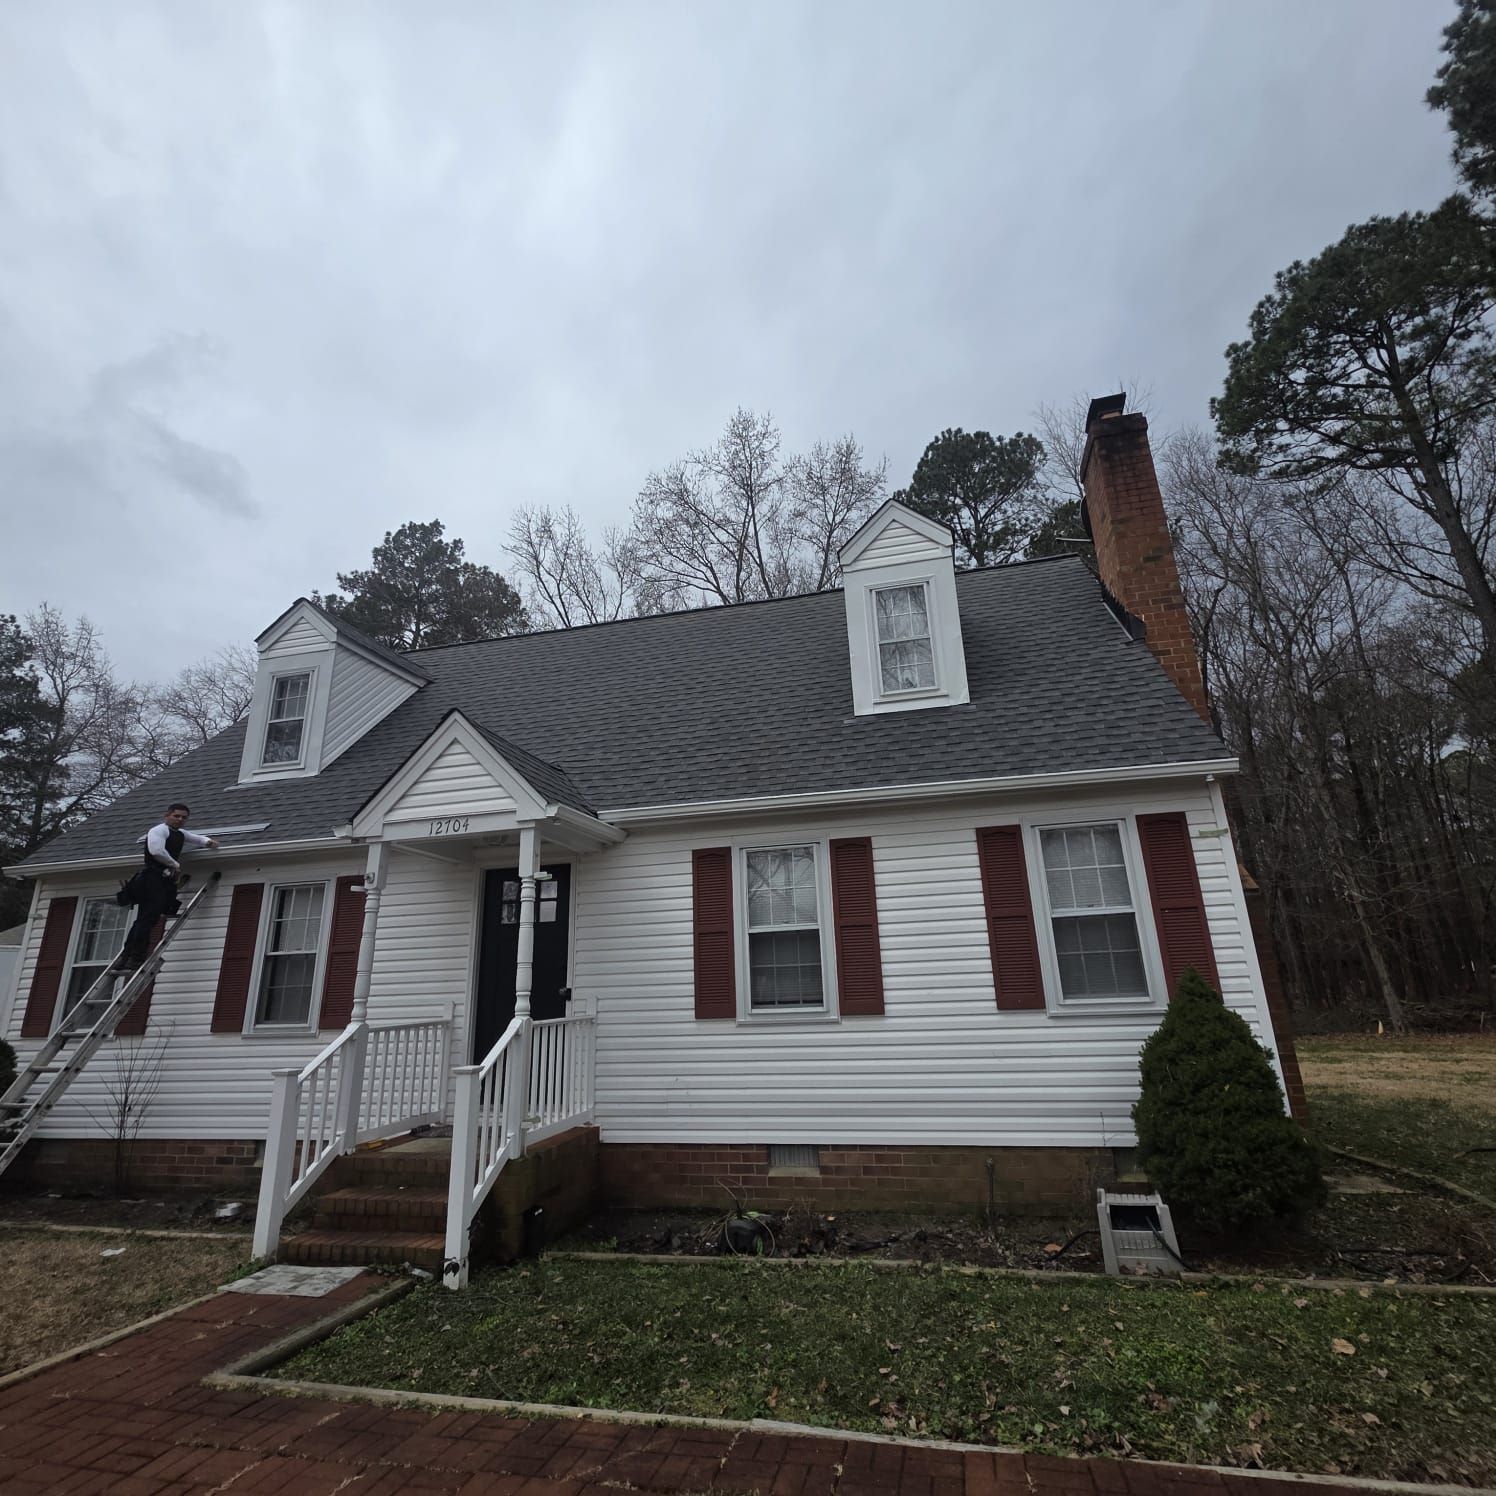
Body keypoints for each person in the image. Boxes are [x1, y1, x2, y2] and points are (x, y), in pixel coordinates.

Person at [120, 803, 219, 969]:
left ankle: (127, 956)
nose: (180, 819)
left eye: (184, 817)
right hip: (152, 878)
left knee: (146, 919)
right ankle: (135, 957)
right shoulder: (159, 830)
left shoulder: (178, 834)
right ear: (167, 816)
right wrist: (175, 864)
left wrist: (209, 842)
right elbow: (156, 850)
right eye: (176, 816)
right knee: (147, 919)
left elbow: (196, 838)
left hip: (163, 880)